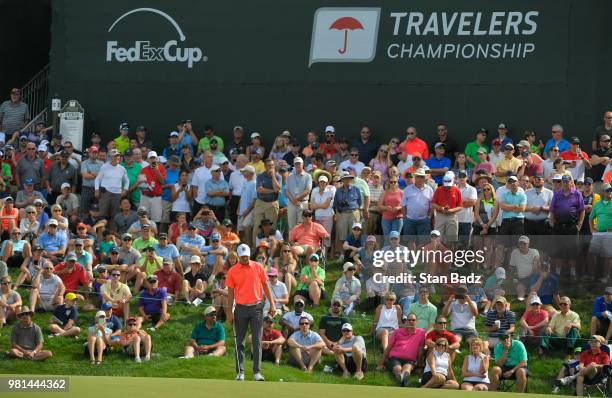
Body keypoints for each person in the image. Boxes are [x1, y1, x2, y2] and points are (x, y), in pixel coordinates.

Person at [226, 243, 276, 381]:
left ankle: (256, 372)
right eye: (242, 257)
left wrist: (272, 304)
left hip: (256, 308)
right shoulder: (232, 271)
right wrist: (229, 312)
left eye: (246, 256)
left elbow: (266, 286)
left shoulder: (258, 267)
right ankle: (240, 372)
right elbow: (230, 294)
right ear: (238, 256)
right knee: (239, 342)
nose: (245, 259)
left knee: (256, 340)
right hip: (240, 308)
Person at [377, 313, 426, 387]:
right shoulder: (397, 332)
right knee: (397, 369)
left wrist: (419, 365)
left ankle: (403, 379)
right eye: (409, 320)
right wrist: (381, 363)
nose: (411, 322)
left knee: (407, 369)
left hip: (410, 359)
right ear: (406, 322)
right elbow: (389, 347)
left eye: (413, 320)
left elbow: (420, 349)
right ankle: (403, 380)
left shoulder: (421, 332)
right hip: (395, 357)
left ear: (417, 322)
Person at [250, 159, 281, 243]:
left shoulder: (277, 176)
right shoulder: (260, 176)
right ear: (265, 166)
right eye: (269, 165)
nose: (271, 167)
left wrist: (273, 176)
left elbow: (277, 189)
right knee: (257, 226)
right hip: (260, 202)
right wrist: (272, 190)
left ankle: (270, 249)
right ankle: (255, 249)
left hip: (272, 203)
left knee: (271, 228)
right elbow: (259, 190)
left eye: (272, 165)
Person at [95, 149, 129, 219]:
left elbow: (127, 180)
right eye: (115, 156)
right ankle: (102, 230)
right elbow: (98, 179)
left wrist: (125, 190)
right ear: (111, 157)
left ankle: (113, 230)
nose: (117, 158)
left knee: (115, 215)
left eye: (118, 156)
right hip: (105, 193)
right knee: (102, 213)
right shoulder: (104, 167)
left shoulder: (122, 169)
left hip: (117, 194)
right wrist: (97, 190)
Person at [333, 172, 362, 254]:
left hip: (354, 213)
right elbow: (335, 204)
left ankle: (353, 254)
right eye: (345, 179)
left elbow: (359, 202)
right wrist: (341, 207)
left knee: (354, 234)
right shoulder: (338, 191)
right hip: (342, 214)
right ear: (342, 180)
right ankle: (343, 254)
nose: (347, 180)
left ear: (350, 179)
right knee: (342, 235)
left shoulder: (356, 189)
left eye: (348, 178)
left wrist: (353, 207)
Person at [431, 172, 463, 245]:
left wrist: (451, 210)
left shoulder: (457, 190)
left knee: (451, 240)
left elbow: (460, 206)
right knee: (437, 239)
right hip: (440, 216)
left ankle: (450, 255)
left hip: (452, 216)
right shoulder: (438, 190)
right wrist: (441, 208)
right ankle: (438, 255)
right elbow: (433, 204)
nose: (447, 186)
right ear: (443, 182)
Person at [509, 236, 540, 301]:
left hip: (533, 276)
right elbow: (512, 267)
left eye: (524, 244)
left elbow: (536, 259)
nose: (522, 245)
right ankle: (521, 300)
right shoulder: (515, 252)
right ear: (518, 244)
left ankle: (533, 299)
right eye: (521, 243)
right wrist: (511, 279)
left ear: (528, 244)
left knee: (533, 291)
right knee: (520, 288)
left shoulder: (534, 251)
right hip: (522, 279)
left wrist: (535, 263)